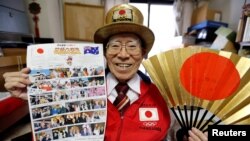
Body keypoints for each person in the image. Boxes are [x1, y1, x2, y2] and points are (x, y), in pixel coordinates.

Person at [3, 3, 207, 141]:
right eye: (115, 45)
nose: (123, 54)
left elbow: (171, 133)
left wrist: (187, 137)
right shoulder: (75, 89)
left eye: (132, 46)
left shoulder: (163, 95)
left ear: (144, 53)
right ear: (105, 52)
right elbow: (53, 131)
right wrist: (37, 99)